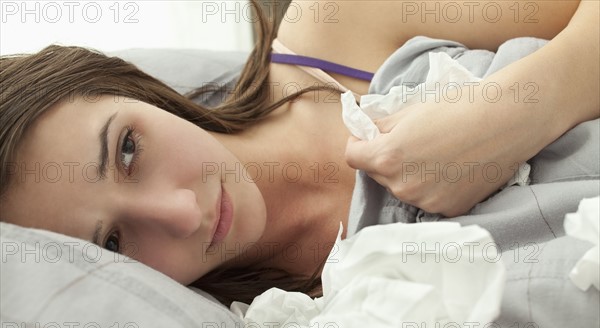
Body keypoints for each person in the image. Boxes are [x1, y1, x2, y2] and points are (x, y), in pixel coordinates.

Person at [0, 0, 598, 305]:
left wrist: (521, 109)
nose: (182, 213)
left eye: (128, 150)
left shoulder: (336, 26)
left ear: (125, 84)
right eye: (113, 245)